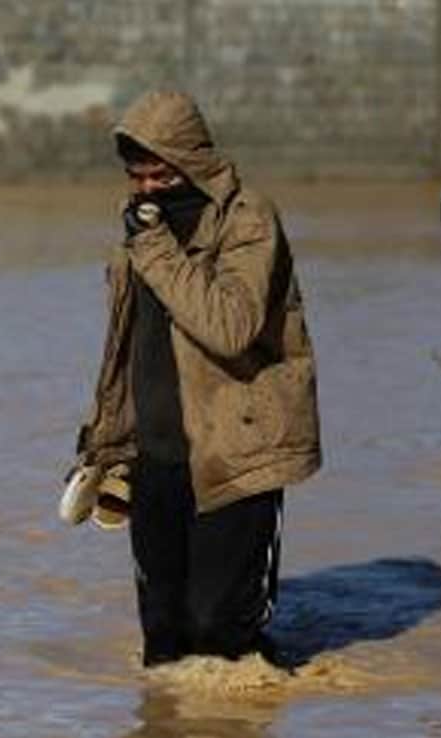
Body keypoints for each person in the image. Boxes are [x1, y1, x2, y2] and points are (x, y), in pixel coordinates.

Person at [59, 91, 322, 667]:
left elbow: (230, 326)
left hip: (237, 451)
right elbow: (125, 345)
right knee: (164, 639)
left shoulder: (247, 218)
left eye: (160, 174)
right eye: (137, 177)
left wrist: (153, 246)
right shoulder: (139, 234)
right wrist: (106, 444)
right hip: (156, 454)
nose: (148, 189)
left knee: (222, 634)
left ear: (192, 161)